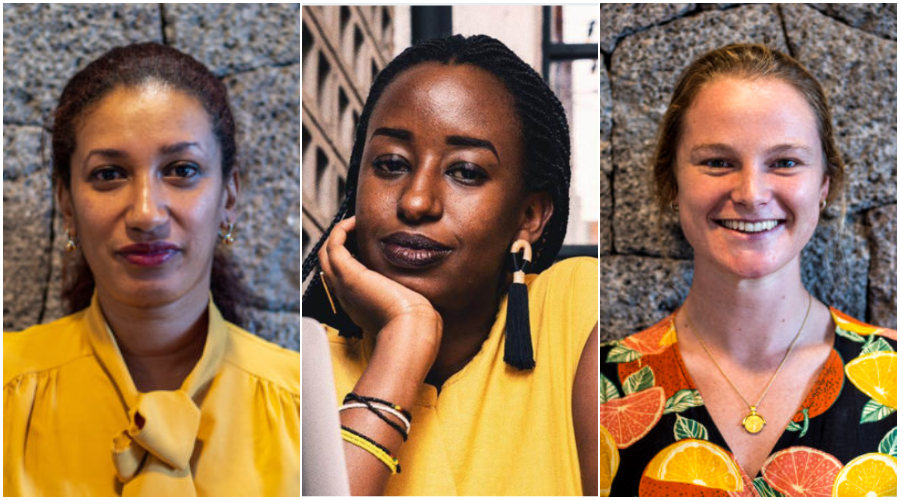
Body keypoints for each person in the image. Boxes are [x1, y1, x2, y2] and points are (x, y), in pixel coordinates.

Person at [301, 34, 598, 496]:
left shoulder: (575, 311)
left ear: (529, 215)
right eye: (391, 164)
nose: (416, 201)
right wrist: (404, 339)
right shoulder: (294, 370)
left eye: (465, 172)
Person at [600, 44, 897, 497]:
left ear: (823, 185)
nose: (752, 193)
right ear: (672, 182)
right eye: (717, 162)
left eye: (785, 162)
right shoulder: (601, 392)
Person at [3, 43, 300, 496]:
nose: (146, 214)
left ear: (229, 197)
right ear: (66, 203)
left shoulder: (307, 409)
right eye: (109, 174)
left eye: (182, 170)